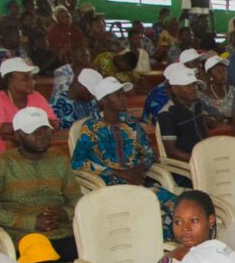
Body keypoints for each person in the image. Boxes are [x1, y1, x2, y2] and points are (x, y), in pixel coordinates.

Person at [0, 108, 79, 263]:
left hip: (62, 231)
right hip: (22, 235)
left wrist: (65, 213)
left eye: (45, 129)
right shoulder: (0, 164)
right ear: (18, 135)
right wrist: (31, 222)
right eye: (33, 131)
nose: (41, 136)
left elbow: (77, 199)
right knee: (39, 251)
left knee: (100, 245)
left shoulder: (59, 159)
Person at [71, 76, 178, 239]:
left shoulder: (131, 123)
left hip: (138, 182)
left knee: (176, 205)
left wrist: (139, 169)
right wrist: (117, 173)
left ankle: (163, 244)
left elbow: (148, 152)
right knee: (146, 211)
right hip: (108, 188)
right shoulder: (91, 128)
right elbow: (78, 162)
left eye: (123, 94)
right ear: (104, 100)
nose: (123, 99)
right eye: (117, 95)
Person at [0, 57, 58, 167]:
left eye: (32, 78)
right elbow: (1, 129)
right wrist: (37, 123)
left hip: (30, 151)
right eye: (25, 78)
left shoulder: (36, 97)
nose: (31, 82)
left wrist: (22, 126)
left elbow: (53, 123)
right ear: (9, 80)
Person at [156, 63, 210, 162]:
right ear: (175, 89)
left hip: (203, 155)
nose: (194, 88)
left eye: (194, 84)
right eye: (188, 86)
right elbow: (171, 151)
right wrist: (198, 161)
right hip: (186, 163)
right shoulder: (167, 114)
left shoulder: (197, 104)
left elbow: (204, 132)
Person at [49, 47, 99, 129]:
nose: (84, 59)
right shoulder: (59, 101)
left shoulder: (91, 99)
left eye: (86, 56)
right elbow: (54, 128)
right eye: (81, 56)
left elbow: (96, 123)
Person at [199, 55, 235, 123]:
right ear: (209, 75)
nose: (223, 74)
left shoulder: (233, 90)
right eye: (218, 72)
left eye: (224, 70)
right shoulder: (203, 97)